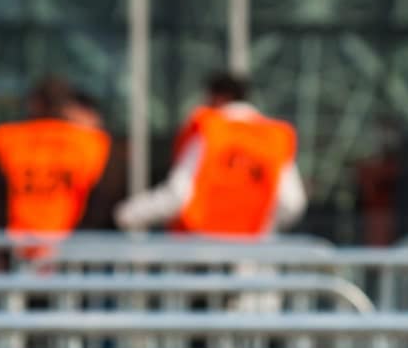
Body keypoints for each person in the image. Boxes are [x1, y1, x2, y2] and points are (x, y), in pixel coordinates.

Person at [114, 72, 307, 237]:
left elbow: (178, 195)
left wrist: (127, 215)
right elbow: (292, 202)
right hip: (251, 258)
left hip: (201, 252)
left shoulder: (209, 132)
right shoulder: (273, 139)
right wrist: (261, 232)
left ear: (218, 98)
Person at [0, 77, 112, 256]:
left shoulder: (6, 138)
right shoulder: (90, 143)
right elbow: (100, 196)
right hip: (66, 243)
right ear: (67, 108)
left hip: (18, 242)